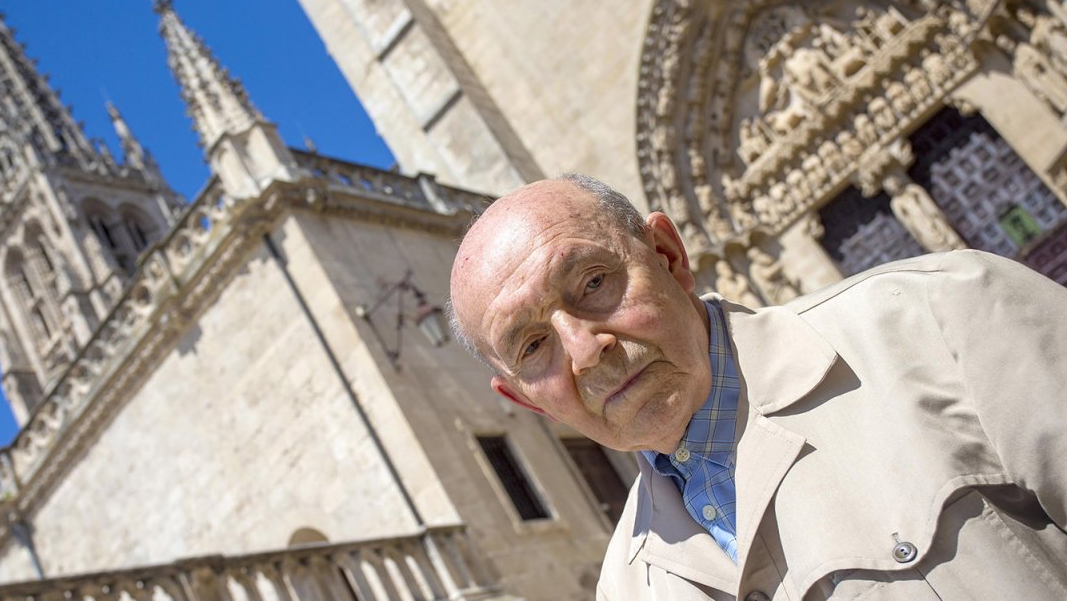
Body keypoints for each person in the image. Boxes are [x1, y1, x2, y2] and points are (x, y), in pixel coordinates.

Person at [447, 174, 1067, 600]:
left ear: (667, 256)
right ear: (526, 399)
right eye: (533, 347)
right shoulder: (628, 587)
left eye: (592, 283)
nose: (586, 353)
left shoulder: (941, 319)